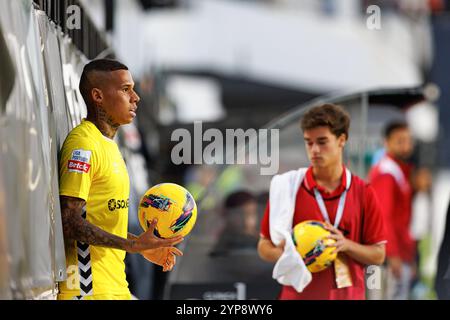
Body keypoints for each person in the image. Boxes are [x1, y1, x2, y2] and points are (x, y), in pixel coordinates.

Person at [57, 59, 184, 300]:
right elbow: (69, 221)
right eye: (125, 89)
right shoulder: (83, 145)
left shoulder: (110, 146)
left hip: (115, 288)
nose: (135, 97)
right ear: (98, 96)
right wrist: (132, 246)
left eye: (133, 89)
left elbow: (99, 224)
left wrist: (141, 246)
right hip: (87, 291)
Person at [257, 103, 386, 300]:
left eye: (322, 141)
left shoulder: (364, 192)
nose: (314, 150)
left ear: (342, 140)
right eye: (309, 142)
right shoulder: (288, 187)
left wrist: (345, 244)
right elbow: (263, 245)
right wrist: (289, 256)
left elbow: (378, 255)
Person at [368, 121, 416, 300]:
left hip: (396, 253)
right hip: (388, 258)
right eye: (400, 141)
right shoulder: (387, 172)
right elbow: (383, 216)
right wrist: (394, 254)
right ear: (387, 142)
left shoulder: (398, 170)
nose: (406, 146)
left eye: (408, 141)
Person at [210, 190, 259, 256]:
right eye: (240, 215)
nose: (246, 222)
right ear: (227, 216)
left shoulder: (261, 244)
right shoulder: (221, 246)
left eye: (251, 214)